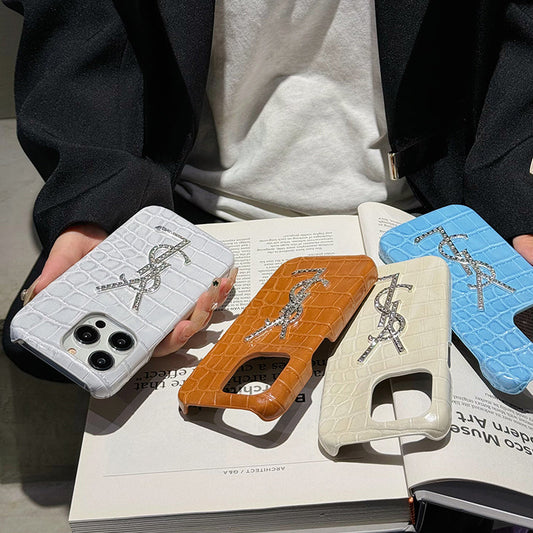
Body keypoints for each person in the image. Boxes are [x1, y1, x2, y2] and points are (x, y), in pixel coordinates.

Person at [3, 1, 532, 370]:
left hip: (432, 201)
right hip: (185, 199)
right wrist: (100, 188)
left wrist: (511, 181)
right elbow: (79, 20)